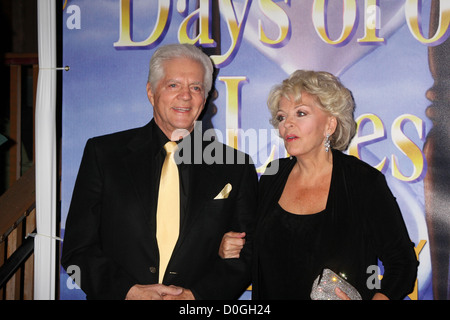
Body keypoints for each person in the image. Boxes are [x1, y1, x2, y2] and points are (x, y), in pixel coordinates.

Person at [61, 43, 258, 300]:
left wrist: (194, 297)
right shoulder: (104, 154)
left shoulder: (235, 167)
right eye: (173, 85)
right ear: (151, 92)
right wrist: (128, 292)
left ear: (205, 97)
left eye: (196, 87)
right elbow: (77, 249)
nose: (185, 96)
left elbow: (248, 254)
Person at [221, 70, 418, 300]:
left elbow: (402, 263)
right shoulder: (272, 176)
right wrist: (230, 247)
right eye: (282, 117)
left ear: (330, 125)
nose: (287, 125)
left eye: (301, 113)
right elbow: (258, 252)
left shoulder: (363, 181)